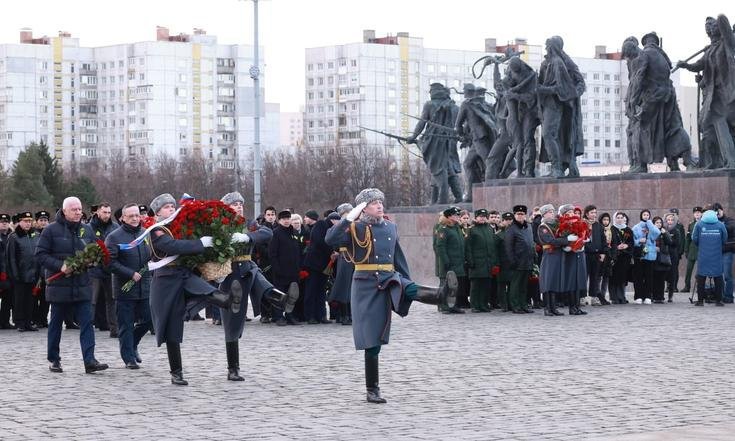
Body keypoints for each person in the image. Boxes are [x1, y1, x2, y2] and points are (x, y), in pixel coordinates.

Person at [325, 188, 420, 404]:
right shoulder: (355, 227)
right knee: (371, 337)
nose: (379, 205)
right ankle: (372, 388)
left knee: (412, 289)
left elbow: (399, 257)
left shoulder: (390, 227)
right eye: (373, 202)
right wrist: (349, 217)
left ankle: (442, 295)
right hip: (365, 283)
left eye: (380, 201)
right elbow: (331, 239)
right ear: (363, 207)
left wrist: (407, 280)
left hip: (388, 276)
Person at [146, 193, 245, 385]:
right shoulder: (156, 230)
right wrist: (201, 243)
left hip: (184, 274)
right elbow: (172, 246)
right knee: (172, 329)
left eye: (172, 206)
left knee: (207, 290)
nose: (171, 209)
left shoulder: (180, 227)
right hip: (165, 280)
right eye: (166, 207)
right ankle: (177, 373)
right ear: (157, 213)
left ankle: (229, 300)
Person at [218, 192, 296, 380]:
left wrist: (247, 238)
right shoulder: (218, 226)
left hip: (247, 267)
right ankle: (233, 368)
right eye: (235, 204)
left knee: (258, 278)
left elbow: (267, 232)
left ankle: (283, 300)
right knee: (233, 322)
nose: (239, 206)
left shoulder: (249, 224)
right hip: (229, 274)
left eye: (241, 204)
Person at [35, 197, 109, 374]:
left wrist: (92, 262)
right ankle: (54, 359)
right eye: (74, 209)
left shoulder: (87, 229)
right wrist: (60, 266)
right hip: (59, 286)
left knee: (87, 323)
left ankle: (90, 360)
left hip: (82, 285)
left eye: (79, 209)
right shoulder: (51, 230)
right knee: (56, 324)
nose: (78, 212)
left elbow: (93, 252)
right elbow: (40, 255)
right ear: (64, 211)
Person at [677, 15, 735, 170]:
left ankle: (730, 161)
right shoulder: (710, 50)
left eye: (713, 25)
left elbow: (729, 36)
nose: (709, 27)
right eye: (707, 25)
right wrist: (686, 65)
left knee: (720, 123)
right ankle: (713, 162)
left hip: (725, 93)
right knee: (707, 126)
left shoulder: (726, 44)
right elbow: (700, 64)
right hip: (712, 96)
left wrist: (723, 21)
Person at [105, 203, 152, 369]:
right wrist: (129, 273)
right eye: (130, 216)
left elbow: (151, 255)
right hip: (124, 288)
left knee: (149, 320)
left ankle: (133, 344)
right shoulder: (114, 237)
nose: (134, 218)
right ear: (122, 218)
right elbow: (109, 262)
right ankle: (128, 358)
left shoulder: (145, 234)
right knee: (126, 324)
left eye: (137, 215)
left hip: (145, 286)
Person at [538, 36, 585, 177]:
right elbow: (540, 84)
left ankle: (558, 167)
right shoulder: (546, 64)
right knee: (555, 136)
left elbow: (576, 84)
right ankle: (557, 167)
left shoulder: (562, 63)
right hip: (549, 104)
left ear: (553, 47)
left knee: (552, 135)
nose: (546, 48)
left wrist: (572, 95)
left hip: (561, 105)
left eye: (548, 46)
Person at [407, 83, 462, 205]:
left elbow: (422, 122)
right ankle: (458, 197)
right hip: (450, 142)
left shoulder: (430, 104)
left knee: (438, 170)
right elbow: (460, 126)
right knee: (449, 168)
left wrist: (414, 136)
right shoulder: (454, 107)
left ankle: (442, 200)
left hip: (434, 142)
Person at [5, 211, 41, 332]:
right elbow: (11, 258)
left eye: (30, 221)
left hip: (33, 273)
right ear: (19, 222)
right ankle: (19, 322)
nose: (28, 224)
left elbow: (38, 254)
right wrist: (15, 274)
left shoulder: (35, 235)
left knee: (31, 299)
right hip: (20, 274)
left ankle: (28, 321)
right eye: (25, 221)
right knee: (19, 299)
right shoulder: (14, 237)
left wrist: (39, 271)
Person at [268, 209, 302, 326]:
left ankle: (289, 315)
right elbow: (272, 253)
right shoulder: (276, 233)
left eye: (288, 219)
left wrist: (299, 267)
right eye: (284, 219)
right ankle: (278, 317)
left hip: (293, 271)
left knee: (292, 294)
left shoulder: (294, 232)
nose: (287, 221)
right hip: (281, 271)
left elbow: (298, 251)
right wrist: (277, 268)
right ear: (280, 220)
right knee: (279, 294)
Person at [89, 203, 118, 337]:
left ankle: (114, 329)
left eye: (108, 212)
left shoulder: (115, 227)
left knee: (112, 299)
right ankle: (87, 328)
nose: (107, 215)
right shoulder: (88, 228)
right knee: (92, 300)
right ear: (97, 213)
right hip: (94, 268)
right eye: (104, 212)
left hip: (110, 268)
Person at [536, 204, 570, 316]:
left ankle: (553, 307)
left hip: (557, 255)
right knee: (548, 282)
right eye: (550, 212)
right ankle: (547, 308)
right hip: (549, 256)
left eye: (552, 211)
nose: (552, 214)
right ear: (544, 214)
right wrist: (566, 241)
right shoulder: (543, 227)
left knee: (554, 282)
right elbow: (551, 241)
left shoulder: (556, 225)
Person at [465, 209, 499, 312]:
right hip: (477, 262)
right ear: (476, 217)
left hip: (488, 262)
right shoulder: (471, 229)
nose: (482, 218)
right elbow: (468, 248)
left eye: (484, 216)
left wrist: (494, 261)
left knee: (486, 285)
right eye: (480, 216)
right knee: (476, 285)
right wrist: (470, 261)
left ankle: (484, 304)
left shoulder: (489, 229)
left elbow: (493, 246)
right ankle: (475, 305)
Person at [692, 209, 728, 306]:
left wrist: (701, 244)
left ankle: (700, 301)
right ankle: (718, 301)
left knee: (701, 278)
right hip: (716, 255)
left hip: (703, 255)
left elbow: (694, 238)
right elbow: (725, 238)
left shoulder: (699, 224)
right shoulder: (720, 225)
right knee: (718, 277)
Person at [557, 204, 589, 315]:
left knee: (578, 281)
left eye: (572, 211)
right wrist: (569, 243)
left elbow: (583, 233)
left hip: (579, 254)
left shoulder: (578, 222)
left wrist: (583, 240)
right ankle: (571, 307)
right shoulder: (562, 224)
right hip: (570, 255)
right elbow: (561, 237)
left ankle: (577, 306)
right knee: (571, 282)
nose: (572, 214)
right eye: (569, 212)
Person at [504, 205, 535, 314]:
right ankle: (515, 305)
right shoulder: (511, 229)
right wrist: (513, 261)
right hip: (517, 262)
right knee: (515, 285)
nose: (520, 216)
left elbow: (531, 243)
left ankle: (523, 304)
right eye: (518, 214)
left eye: (522, 214)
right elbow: (508, 247)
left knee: (524, 286)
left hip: (528, 261)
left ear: (525, 215)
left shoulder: (528, 227)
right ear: (514, 215)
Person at [327, 204, 355, 325]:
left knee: (353, 288)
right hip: (344, 259)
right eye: (346, 213)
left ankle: (351, 314)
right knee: (344, 288)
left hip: (355, 258)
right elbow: (333, 241)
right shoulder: (338, 227)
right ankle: (344, 315)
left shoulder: (355, 225)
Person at [434, 206, 466, 314]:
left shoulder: (457, 228)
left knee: (455, 286)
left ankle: (453, 305)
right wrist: (446, 261)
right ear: (449, 217)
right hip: (449, 263)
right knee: (446, 285)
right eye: (456, 215)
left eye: (458, 215)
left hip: (458, 262)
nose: (458, 217)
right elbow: (440, 247)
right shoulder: (443, 229)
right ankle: (444, 305)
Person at [632, 209, 660, 304]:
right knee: (638, 277)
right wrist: (639, 241)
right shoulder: (636, 227)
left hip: (650, 255)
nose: (646, 216)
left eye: (647, 215)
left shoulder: (651, 226)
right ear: (641, 216)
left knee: (649, 276)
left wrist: (650, 224)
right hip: (639, 255)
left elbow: (657, 233)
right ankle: (638, 296)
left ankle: (648, 296)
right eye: (644, 215)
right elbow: (632, 240)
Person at [584, 205, 610, 305]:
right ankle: (582, 297)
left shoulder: (598, 226)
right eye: (592, 213)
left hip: (597, 255)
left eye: (595, 212)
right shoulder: (582, 224)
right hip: (585, 254)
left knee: (594, 277)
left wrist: (603, 252)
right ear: (587, 214)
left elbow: (604, 241)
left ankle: (593, 297)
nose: (594, 215)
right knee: (584, 276)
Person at [609, 212, 634, 304]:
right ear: (614, 219)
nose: (619, 219)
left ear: (624, 219)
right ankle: (614, 297)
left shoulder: (628, 230)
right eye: (618, 217)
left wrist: (626, 245)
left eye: (621, 217)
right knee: (613, 278)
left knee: (623, 278)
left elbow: (632, 242)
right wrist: (616, 247)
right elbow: (609, 242)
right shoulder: (611, 229)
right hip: (615, 257)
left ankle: (621, 296)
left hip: (625, 257)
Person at [32, 210, 51, 328]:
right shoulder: (33, 234)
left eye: (45, 220)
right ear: (37, 222)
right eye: (41, 220)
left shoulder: (50, 234)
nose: (43, 223)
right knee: (35, 298)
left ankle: (43, 319)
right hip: (35, 271)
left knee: (46, 298)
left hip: (47, 271)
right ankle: (35, 319)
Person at [713, 203, 735, 303]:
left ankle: (729, 296)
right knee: (718, 275)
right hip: (716, 252)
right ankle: (720, 295)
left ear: (722, 210)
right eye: (715, 211)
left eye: (719, 210)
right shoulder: (713, 222)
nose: (718, 213)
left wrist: (717, 224)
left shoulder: (730, 221)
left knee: (727, 275)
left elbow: (729, 227)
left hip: (728, 251)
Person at [651, 216, 673, 303]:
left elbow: (669, 242)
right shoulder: (651, 232)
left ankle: (660, 297)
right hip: (654, 257)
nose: (659, 224)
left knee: (661, 279)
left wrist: (665, 234)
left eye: (660, 223)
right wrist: (654, 248)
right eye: (657, 223)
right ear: (653, 224)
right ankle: (654, 296)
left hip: (663, 258)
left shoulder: (664, 232)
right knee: (654, 278)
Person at [683, 207, 704, 293]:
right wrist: (686, 250)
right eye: (695, 213)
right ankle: (687, 286)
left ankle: (699, 286)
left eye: (699, 212)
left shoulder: (704, 223)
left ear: (702, 214)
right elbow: (687, 238)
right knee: (688, 270)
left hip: (701, 249)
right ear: (693, 214)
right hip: (692, 249)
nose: (697, 214)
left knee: (700, 270)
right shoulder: (691, 224)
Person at [664, 212, 683, 302]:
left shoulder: (676, 231)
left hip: (672, 255)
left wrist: (667, 237)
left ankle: (670, 295)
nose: (670, 222)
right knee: (662, 274)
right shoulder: (662, 229)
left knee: (672, 275)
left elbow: (675, 243)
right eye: (668, 220)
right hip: (663, 255)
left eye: (672, 220)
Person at [0, 213, 14, 329]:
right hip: (1, 271)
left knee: (7, 299)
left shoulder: (11, 236)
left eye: (6, 221)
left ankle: (4, 321)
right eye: (1, 221)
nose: (4, 223)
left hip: (8, 273)